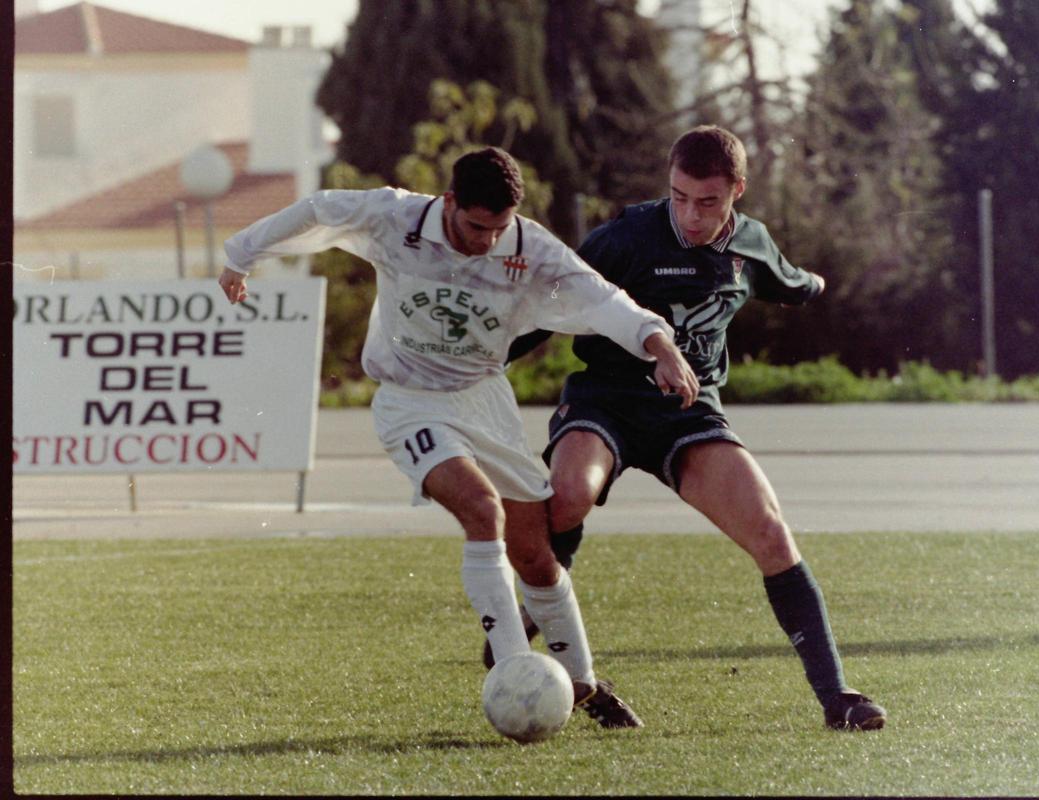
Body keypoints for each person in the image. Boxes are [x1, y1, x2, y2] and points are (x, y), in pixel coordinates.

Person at [218, 146, 699, 729]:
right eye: (475, 226)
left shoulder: (530, 245)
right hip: (409, 401)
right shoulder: (395, 217)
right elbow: (318, 207)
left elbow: (601, 297)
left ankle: (585, 685)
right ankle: (517, 672)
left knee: (536, 557)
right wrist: (239, 258)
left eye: (498, 229)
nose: (487, 241)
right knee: (480, 508)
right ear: (448, 203)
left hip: (485, 400)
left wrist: (661, 345)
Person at [496, 126, 887, 731]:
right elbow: (552, 303)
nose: (691, 216)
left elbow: (788, 281)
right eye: (679, 197)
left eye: (708, 202)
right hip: (606, 401)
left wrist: (814, 287)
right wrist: (489, 358)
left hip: (690, 411)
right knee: (569, 494)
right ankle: (539, 603)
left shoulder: (751, 245)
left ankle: (838, 698)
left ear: (737, 191)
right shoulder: (626, 236)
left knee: (770, 532)